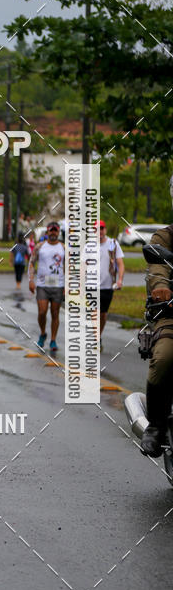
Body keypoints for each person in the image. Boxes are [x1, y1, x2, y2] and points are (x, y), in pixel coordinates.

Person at [139, 176, 173, 457]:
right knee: (164, 358)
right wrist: (161, 287)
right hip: (171, 312)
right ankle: (156, 426)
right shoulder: (164, 237)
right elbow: (157, 266)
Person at [28, 221, 65, 352]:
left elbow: (69, 267)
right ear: (47, 232)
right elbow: (31, 263)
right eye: (51, 230)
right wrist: (31, 280)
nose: (53, 232)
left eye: (56, 230)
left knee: (55, 313)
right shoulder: (40, 246)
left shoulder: (63, 248)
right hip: (42, 284)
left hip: (58, 284)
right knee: (42, 311)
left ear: (59, 232)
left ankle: (53, 340)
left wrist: (68, 285)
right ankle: (43, 333)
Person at [98, 220, 124, 350]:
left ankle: (98, 336)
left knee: (102, 314)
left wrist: (120, 280)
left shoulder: (113, 244)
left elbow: (120, 263)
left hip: (108, 285)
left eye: (101, 229)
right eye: (97, 229)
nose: (100, 232)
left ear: (105, 230)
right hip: (91, 286)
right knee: (94, 312)